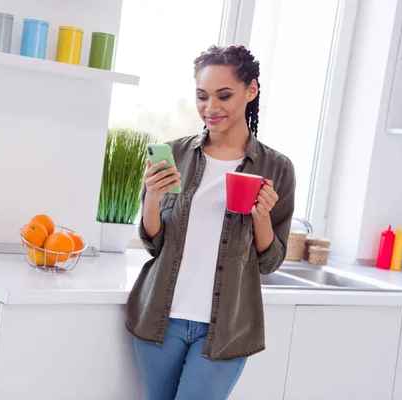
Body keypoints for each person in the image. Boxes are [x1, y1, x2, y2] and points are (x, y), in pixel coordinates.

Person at [125, 44, 296, 400]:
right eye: (202, 96)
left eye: (224, 95)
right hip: (160, 318)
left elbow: (270, 262)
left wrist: (260, 216)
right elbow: (153, 243)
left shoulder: (276, 168)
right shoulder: (173, 153)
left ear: (251, 91)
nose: (210, 108)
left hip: (226, 328)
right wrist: (153, 199)